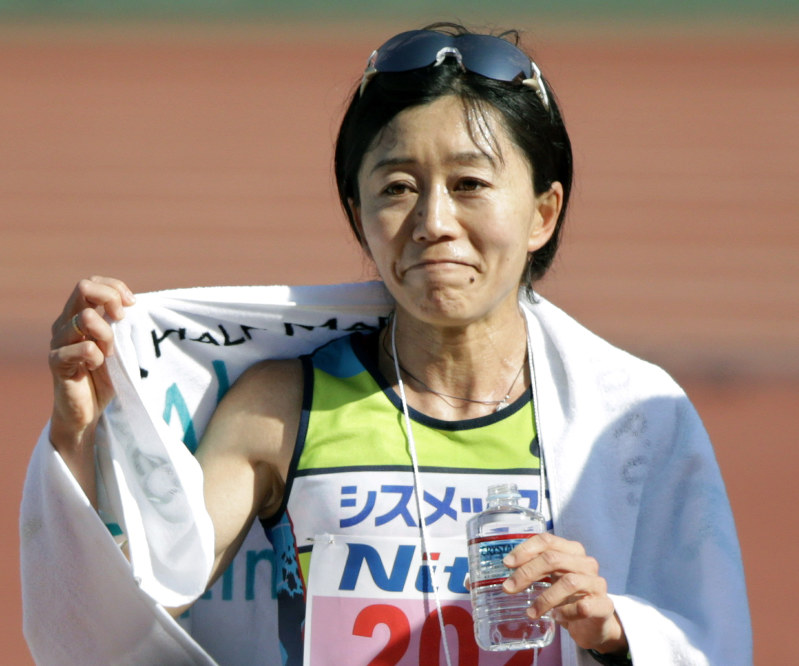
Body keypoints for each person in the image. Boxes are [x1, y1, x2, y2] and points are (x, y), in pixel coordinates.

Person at [44, 23, 750, 665]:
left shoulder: (633, 420)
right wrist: (79, 437)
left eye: (470, 183)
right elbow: (117, 622)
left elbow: (708, 640)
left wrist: (616, 634)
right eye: (397, 187)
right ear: (359, 215)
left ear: (543, 212)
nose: (433, 221)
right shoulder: (282, 409)